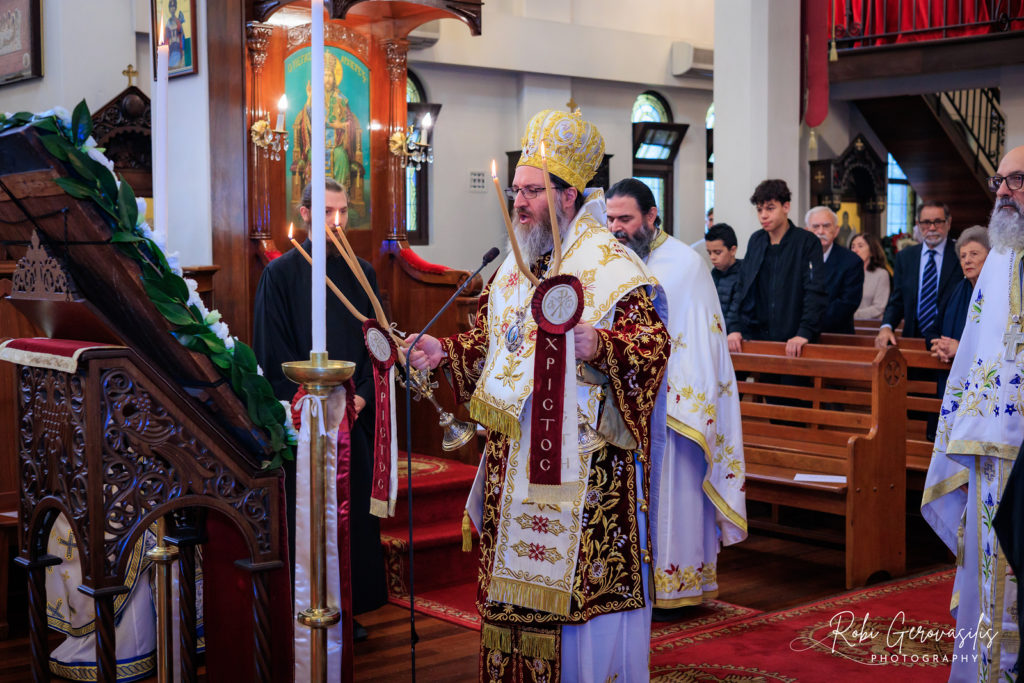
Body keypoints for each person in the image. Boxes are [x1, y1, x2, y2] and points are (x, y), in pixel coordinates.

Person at [406, 110, 669, 682]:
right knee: (515, 602)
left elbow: (652, 347)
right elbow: (496, 343)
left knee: (575, 605)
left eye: (531, 191)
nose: (519, 202)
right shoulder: (514, 268)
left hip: (586, 469)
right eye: (516, 190)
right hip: (515, 459)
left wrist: (599, 343)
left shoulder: (613, 267)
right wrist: (444, 354)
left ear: (568, 195)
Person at [607, 178, 747, 615]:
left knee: (674, 498)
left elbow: (702, 344)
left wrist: (675, 397)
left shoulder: (685, 264)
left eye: (625, 219)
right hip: (618, 403)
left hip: (672, 409)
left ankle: (676, 587)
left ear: (651, 216)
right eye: (610, 218)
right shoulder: (609, 261)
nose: (616, 228)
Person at [253, 179, 386, 633]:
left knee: (353, 519)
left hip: (355, 420)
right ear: (306, 213)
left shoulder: (362, 272)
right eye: (328, 211)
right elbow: (272, 352)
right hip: (303, 423)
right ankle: (306, 605)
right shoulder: (280, 274)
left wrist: (359, 399)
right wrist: (306, 406)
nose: (337, 221)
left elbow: (377, 344)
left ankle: (349, 608)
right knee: (308, 518)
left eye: (343, 211)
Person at [921, 145, 1024, 682]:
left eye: (1017, 181)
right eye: (999, 181)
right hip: (991, 447)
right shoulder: (1001, 257)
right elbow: (976, 353)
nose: (1004, 192)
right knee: (992, 567)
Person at [726, 179, 827, 357]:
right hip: (759, 338)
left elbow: (814, 291)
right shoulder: (756, 240)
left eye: (770, 208)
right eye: (759, 209)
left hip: (795, 340)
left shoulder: (806, 242)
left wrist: (804, 332)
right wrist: (734, 327)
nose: (763, 215)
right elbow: (742, 287)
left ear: (786, 207)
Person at [875, 201, 964, 348]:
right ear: (917, 224)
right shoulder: (905, 257)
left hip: (949, 342)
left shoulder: (960, 255)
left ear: (948, 223)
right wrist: (886, 326)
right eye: (926, 222)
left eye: (938, 222)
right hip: (912, 340)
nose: (932, 227)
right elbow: (897, 301)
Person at [930, 226, 990, 363]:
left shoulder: (999, 293)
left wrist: (961, 349)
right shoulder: (954, 290)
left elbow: (997, 341)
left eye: (974, 254)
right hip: (948, 371)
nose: (967, 260)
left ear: (990, 257)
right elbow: (933, 330)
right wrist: (940, 346)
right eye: (963, 256)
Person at [806, 206, 864, 334]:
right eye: (815, 227)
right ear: (807, 231)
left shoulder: (851, 262)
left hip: (835, 336)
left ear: (836, 230)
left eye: (826, 226)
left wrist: (808, 325)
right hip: (796, 335)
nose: (820, 231)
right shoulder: (797, 258)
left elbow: (846, 304)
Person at [705, 223, 742, 327]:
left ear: (733, 250)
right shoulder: (713, 274)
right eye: (709, 252)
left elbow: (735, 313)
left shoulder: (743, 274)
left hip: (733, 335)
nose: (712, 257)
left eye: (717, 252)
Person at [850, 233, 891, 320]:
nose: (855, 250)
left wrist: (849, 315)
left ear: (872, 251)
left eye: (860, 246)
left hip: (871, 325)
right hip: (844, 325)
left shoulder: (881, 274)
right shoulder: (847, 273)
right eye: (852, 247)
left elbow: (878, 308)